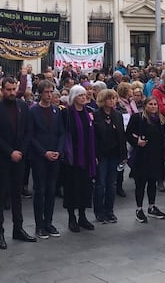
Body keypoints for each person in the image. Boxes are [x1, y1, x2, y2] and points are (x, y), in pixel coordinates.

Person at [0, 76, 36, 250]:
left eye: (13, 89)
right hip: (2, 158)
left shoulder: (23, 106)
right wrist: (10, 152)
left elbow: (28, 130)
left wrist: (21, 151)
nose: (11, 92)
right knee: (0, 196)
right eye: (8, 89)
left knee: (17, 194)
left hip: (19, 158)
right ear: (2, 90)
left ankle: (18, 227)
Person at [29, 80, 65, 238]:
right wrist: (44, 152)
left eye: (51, 92)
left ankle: (49, 222)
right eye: (46, 92)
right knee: (40, 190)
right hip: (39, 156)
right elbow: (30, 135)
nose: (50, 95)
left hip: (55, 156)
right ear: (40, 93)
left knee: (51, 190)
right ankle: (39, 224)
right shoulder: (33, 111)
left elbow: (61, 133)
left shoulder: (57, 110)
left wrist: (58, 150)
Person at [62, 85, 96, 232]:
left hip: (87, 155)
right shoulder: (67, 113)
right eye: (81, 95)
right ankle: (71, 218)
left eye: (85, 95)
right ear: (74, 97)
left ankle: (82, 216)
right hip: (73, 157)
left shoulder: (88, 112)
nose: (84, 97)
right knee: (72, 188)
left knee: (85, 187)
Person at [126, 96, 165, 223]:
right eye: (151, 104)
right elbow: (128, 134)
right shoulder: (137, 118)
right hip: (142, 156)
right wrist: (136, 141)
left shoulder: (159, 120)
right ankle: (139, 209)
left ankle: (151, 206)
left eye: (155, 104)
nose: (153, 106)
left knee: (152, 182)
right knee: (140, 183)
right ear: (145, 105)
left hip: (156, 156)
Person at [93, 89, 127, 224]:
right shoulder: (96, 115)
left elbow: (121, 136)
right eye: (109, 98)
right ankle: (99, 211)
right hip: (101, 154)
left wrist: (124, 155)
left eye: (114, 98)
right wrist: (94, 155)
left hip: (114, 154)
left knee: (111, 184)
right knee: (100, 184)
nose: (112, 101)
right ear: (103, 100)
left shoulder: (117, 115)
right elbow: (94, 137)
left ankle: (109, 210)